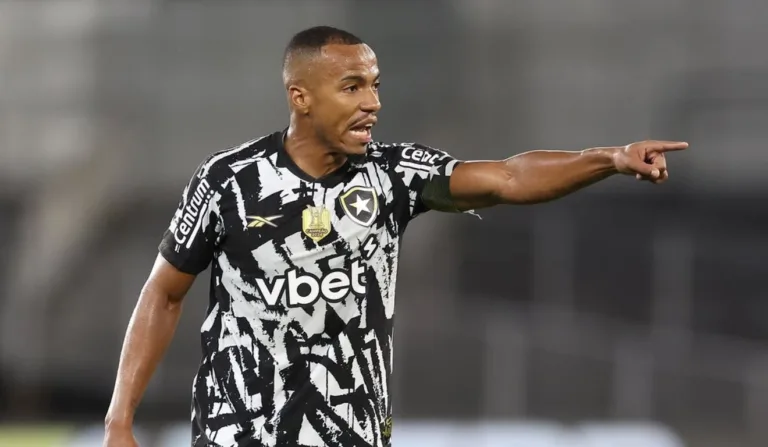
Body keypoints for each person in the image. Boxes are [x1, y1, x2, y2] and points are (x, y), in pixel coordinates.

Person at [103, 25, 688, 447]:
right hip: (238, 432)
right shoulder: (228, 180)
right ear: (300, 97)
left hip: (351, 433)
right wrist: (118, 422)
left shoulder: (395, 175)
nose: (373, 103)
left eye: (375, 85)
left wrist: (608, 158)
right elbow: (165, 293)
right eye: (352, 87)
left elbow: (508, 177)